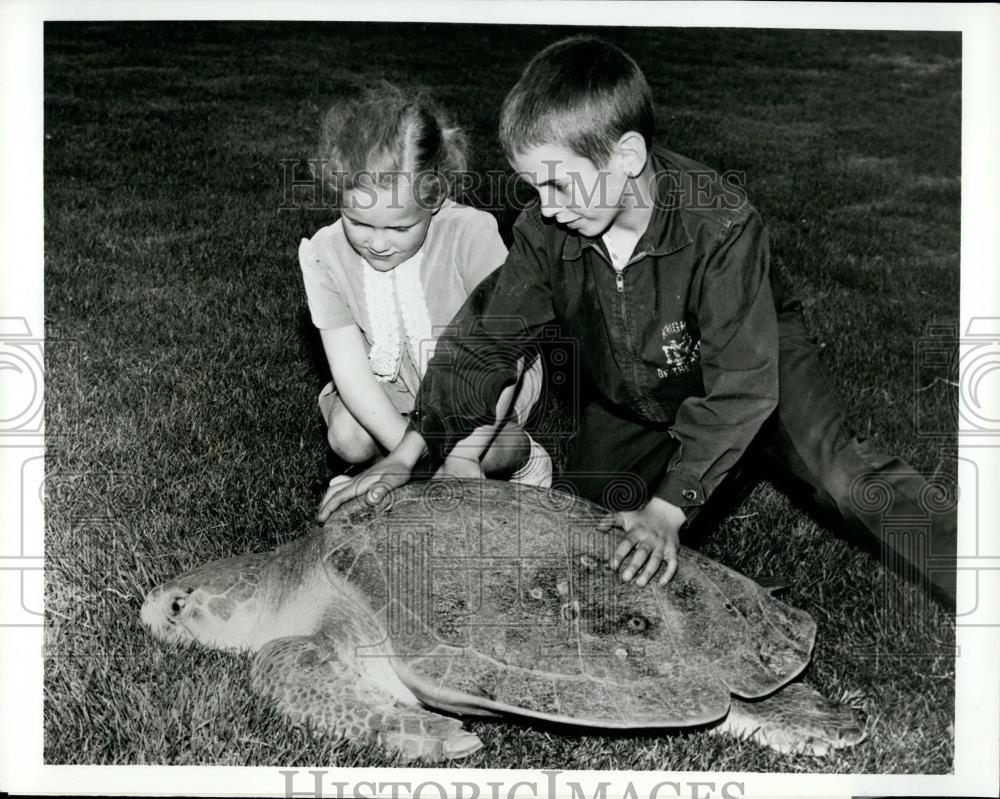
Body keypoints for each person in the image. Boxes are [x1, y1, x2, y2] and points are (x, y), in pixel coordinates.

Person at [317, 40, 956, 610]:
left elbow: (741, 386)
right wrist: (407, 455)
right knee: (577, 534)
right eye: (533, 187)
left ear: (626, 156)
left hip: (752, 367)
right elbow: (486, 341)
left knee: (846, 480)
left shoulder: (721, 226)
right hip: (634, 384)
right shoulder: (549, 229)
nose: (544, 208)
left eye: (559, 185)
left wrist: (667, 508)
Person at [299, 82, 552, 503]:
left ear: (434, 197)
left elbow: (504, 350)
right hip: (391, 384)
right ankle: (402, 462)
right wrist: (414, 458)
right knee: (347, 436)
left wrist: (455, 456)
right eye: (358, 222)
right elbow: (351, 373)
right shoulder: (325, 255)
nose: (377, 243)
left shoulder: (470, 235)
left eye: (400, 227)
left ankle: (524, 456)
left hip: (483, 381)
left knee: (470, 451)